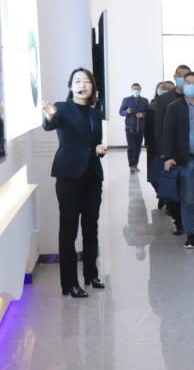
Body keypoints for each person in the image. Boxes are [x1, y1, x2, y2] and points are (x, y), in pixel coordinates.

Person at [42, 68, 107, 298]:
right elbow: (50, 124)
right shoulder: (62, 108)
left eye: (86, 81)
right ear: (70, 86)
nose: (82, 85)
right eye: (77, 81)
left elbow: (92, 143)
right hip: (69, 175)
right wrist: (49, 115)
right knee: (68, 229)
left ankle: (91, 273)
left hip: (92, 176)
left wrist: (99, 148)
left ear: (92, 86)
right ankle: (69, 282)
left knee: (91, 227)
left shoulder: (96, 113)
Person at [162, 72, 194, 249]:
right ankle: (190, 232)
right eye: (188, 82)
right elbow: (168, 133)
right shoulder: (174, 107)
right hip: (186, 159)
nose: (191, 85)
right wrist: (168, 157)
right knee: (189, 199)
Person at [156, 64, 191, 234]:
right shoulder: (164, 100)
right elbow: (159, 128)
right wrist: (164, 152)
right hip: (171, 152)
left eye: (185, 76)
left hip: (189, 153)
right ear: (175, 76)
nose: (182, 78)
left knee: (190, 191)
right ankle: (179, 222)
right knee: (173, 188)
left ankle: (190, 219)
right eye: (179, 75)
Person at [145, 81, 174, 202]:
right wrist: (148, 142)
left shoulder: (175, 106)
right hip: (153, 145)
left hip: (170, 146)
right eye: (162, 88)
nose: (164, 90)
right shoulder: (151, 107)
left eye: (168, 89)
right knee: (153, 176)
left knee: (169, 175)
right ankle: (160, 193)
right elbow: (147, 127)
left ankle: (167, 198)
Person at [120, 83, 149, 173]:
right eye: (134, 89)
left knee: (138, 146)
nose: (136, 90)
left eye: (138, 89)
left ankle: (136, 164)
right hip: (129, 127)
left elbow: (148, 112)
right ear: (132, 90)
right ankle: (131, 165)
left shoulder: (145, 100)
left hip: (140, 127)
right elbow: (121, 112)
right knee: (131, 146)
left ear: (140, 90)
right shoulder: (126, 100)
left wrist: (143, 114)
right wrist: (127, 112)